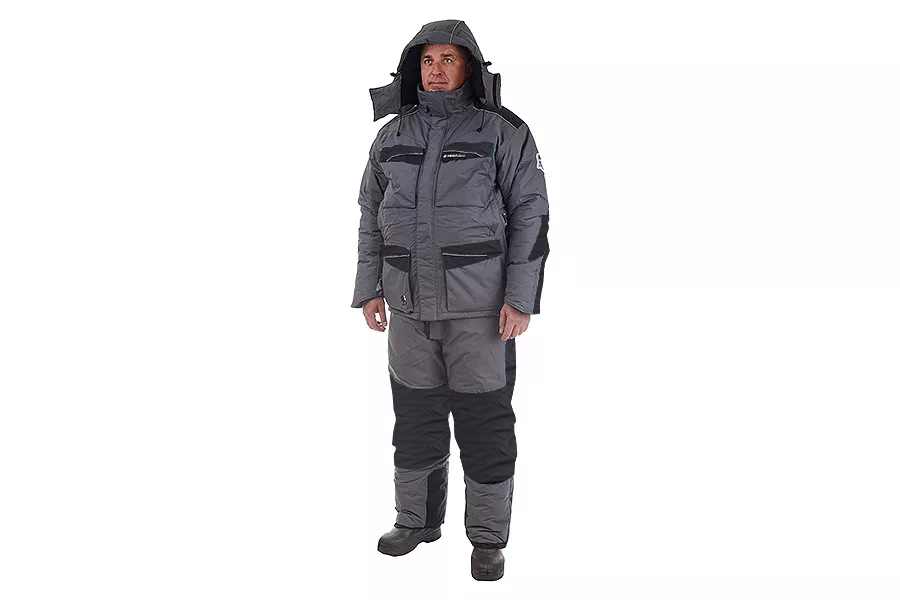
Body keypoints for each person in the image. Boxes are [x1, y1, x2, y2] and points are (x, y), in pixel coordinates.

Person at [350, 19, 550, 581]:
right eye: (427, 60)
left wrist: (521, 298)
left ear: (469, 66)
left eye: (447, 59)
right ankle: (415, 520)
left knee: (484, 423)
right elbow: (369, 214)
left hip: (481, 314)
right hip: (408, 310)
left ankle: (487, 538)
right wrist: (369, 287)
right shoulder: (392, 136)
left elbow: (531, 215)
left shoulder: (504, 131)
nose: (435, 70)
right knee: (415, 417)